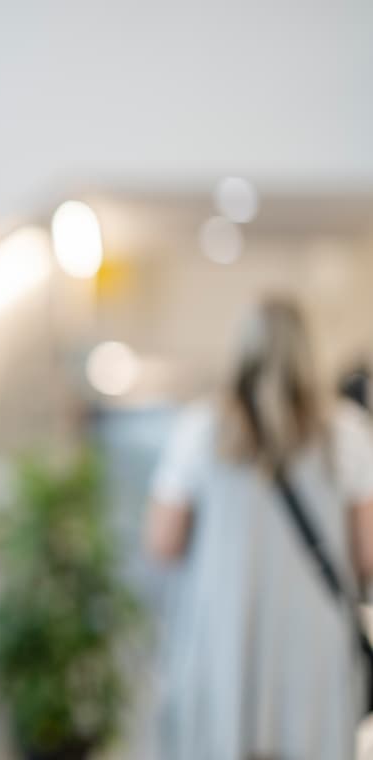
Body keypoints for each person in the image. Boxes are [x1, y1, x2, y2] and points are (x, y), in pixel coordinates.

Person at [144, 296, 373, 760]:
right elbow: (367, 553)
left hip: (224, 637)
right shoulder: (347, 432)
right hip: (314, 644)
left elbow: (163, 543)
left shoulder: (200, 429)